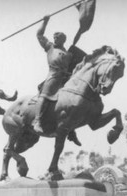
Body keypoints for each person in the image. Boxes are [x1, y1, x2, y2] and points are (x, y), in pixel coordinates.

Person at [34, 15, 81, 145]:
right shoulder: (49, 47)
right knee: (45, 95)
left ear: (63, 40)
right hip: (53, 76)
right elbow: (39, 35)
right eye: (54, 37)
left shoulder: (68, 54)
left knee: (73, 104)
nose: (54, 39)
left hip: (65, 78)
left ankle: (71, 132)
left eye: (57, 38)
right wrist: (45, 21)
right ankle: (37, 121)